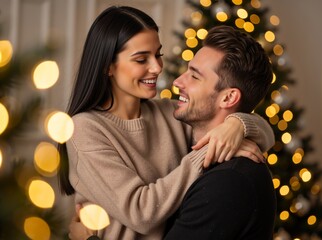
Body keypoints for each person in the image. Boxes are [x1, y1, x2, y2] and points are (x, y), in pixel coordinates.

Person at [60, 6, 275, 240]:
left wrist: (237, 125)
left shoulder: (170, 112)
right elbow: (141, 212)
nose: (157, 67)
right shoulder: (84, 129)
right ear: (108, 66)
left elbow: (261, 131)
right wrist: (208, 149)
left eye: (158, 55)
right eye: (142, 59)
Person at [163, 25, 276, 239]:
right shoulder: (183, 140)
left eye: (195, 77)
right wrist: (240, 124)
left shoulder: (229, 182)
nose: (178, 82)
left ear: (228, 98)